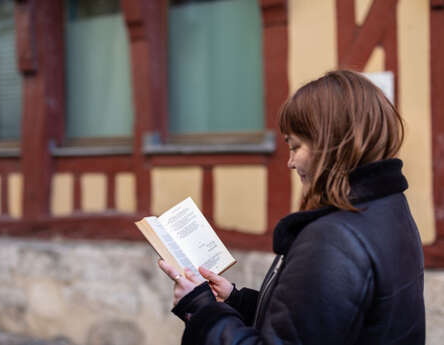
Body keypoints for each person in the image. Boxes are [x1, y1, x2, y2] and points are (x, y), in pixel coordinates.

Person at [158, 70, 425, 345]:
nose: (290, 162)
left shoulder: (334, 238)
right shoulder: (388, 208)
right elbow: (319, 324)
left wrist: (201, 310)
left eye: (296, 146)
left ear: (330, 144)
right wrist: (235, 300)